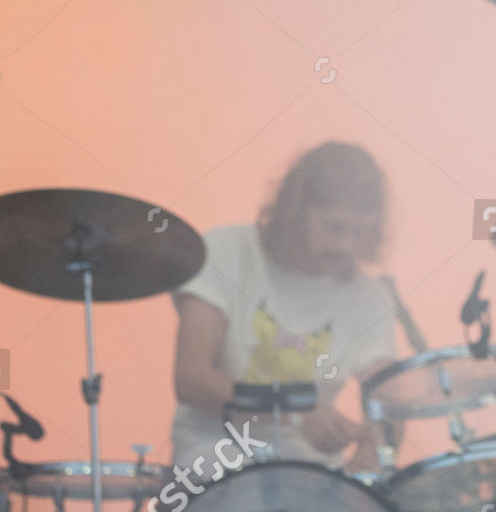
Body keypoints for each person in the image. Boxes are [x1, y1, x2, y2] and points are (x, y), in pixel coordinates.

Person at [171, 141, 402, 478]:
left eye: (360, 231)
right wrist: (294, 414)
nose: (346, 245)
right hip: (214, 452)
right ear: (295, 212)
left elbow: (389, 408)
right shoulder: (225, 251)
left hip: (307, 470)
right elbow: (191, 379)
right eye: (334, 227)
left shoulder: (369, 297)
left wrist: (359, 484)